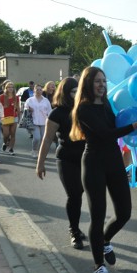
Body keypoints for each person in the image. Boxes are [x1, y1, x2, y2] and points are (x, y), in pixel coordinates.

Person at [70, 66, 137, 273]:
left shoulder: (106, 103)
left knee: (124, 213)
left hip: (114, 161)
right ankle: (98, 266)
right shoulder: (83, 109)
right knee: (97, 216)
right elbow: (107, 134)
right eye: (97, 81)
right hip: (94, 163)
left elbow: (117, 123)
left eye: (104, 81)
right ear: (88, 84)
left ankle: (105, 240)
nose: (102, 85)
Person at [36, 78, 87, 249]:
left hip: (86, 158)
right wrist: (40, 163)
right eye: (73, 91)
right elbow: (47, 139)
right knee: (74, 195)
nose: (76, 94)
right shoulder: (57, 113)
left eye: (78, 91)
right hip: (66, 158)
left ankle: (79, 228)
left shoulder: (84, 109)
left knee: (81, 193)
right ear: (65, 93)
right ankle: (74, 231)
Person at [25, 83, 52, 158]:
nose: (39, 91)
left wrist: (50, 121)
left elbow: (50, 111)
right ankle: (34, 150)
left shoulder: (46, 100)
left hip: (44, 122)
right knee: (37, 138)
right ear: (34, 90)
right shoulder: (30, 100)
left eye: (40, 90)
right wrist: (28, 109)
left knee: (43, 138)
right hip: (34, 121)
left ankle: (41, 152)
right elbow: (25, 109)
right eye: (37, 89)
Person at [0, 81, 20, 155]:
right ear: (6, 88)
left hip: (14, 117)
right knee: (6, 134)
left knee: (13, 134)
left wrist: (19, 117)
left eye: (12, 87)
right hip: (5, 117)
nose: (10, 88)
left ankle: (11, 149)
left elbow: (18, 108)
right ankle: (5, 143)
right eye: (9, 87)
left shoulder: (16, 97)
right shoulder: (2, 97)